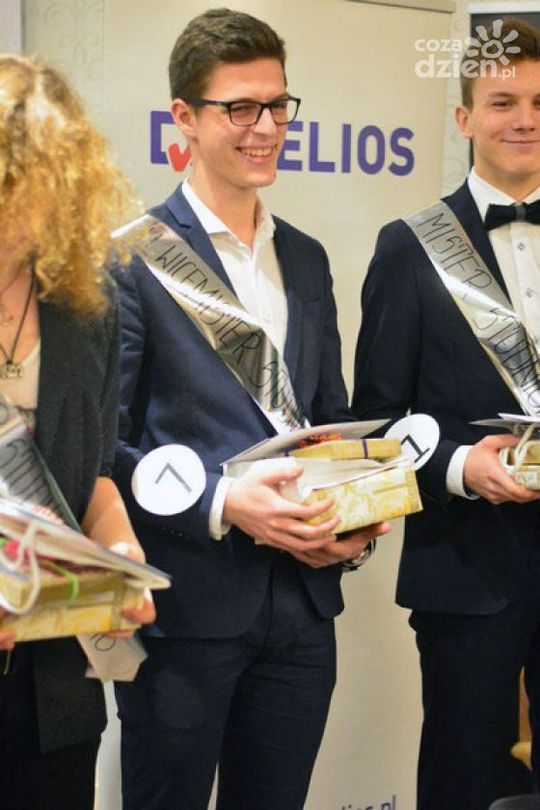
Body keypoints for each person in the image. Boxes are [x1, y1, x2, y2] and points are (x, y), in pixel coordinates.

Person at [112, 8, 386, 810]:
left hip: (302, 611)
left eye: (277, 106)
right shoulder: (130, 258)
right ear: (186, 117)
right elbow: (102, 451)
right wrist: (225, 502)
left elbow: (329, 417)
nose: (265, 128)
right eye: (240, 108)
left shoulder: (306, 257)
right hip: (185, 612)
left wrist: (353, 520)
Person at [353, 18, 540, 810]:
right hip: (467, 566)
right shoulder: (409, 247)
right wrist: (462, 467)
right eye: (502, 102)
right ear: (464, 118)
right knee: (463, 780)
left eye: (539, 103)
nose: (524, 119)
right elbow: (374, 422)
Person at [0, 54, 155, 810]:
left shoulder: (86, 307)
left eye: (33, 181)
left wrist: (120, 554)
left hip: (52, 687)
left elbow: (91, 477)